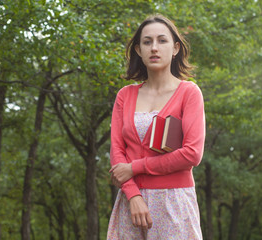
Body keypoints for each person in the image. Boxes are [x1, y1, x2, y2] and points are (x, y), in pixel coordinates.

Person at [107, 14, 205, 240]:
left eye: (162, 40)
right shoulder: (125, 95)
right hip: (131, 205)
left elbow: (192, 154)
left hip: (174, 203)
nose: (154, 48)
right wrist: (133, 196)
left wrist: (135, 167)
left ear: (175, 48)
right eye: (147, 42)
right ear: (139, 50)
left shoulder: (189, 93)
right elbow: (117, 151)